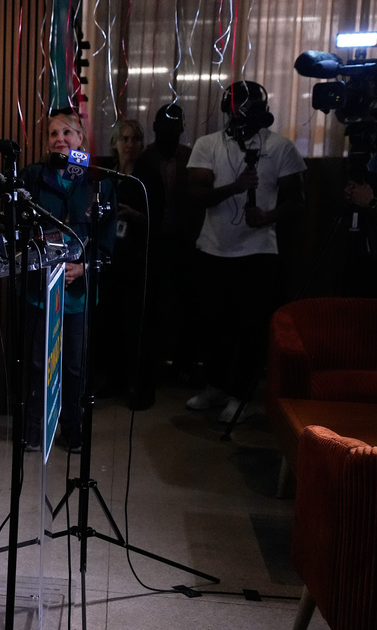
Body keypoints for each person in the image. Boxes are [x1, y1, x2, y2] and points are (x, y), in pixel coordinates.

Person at [185, 80, 306, 422]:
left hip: (258, 253)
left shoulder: (280, 147)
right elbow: (196, 194)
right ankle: (216, 386)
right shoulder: (207, 144)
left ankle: (240, 396)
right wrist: (235, 188)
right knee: (213, 325)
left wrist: (268, 216)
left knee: (250, 329)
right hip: (213, 250)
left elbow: (298, 201)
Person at [21, 107, 117, 452]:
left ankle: (72, 427)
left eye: (67, 133)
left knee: (74, 365)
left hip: (77, 292)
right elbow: (20, 228)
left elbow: (107, 238)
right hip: (39, 288)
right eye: (53, 134)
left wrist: (85, 266)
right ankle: (34, 428)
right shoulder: (33, 176)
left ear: (80, 139)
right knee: (37, 363)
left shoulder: (98, 182)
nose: (59, 139)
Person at [98, 118, 164, 409]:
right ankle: (114, 380)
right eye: (124, 139)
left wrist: (132, 214)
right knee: (110, 322)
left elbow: (158, 220)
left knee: (137, 326)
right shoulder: (108, 174)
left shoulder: (148, 177)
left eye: (135, 139)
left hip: (138, 260)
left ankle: (142, 389)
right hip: (111, 257)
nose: (130, 145)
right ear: (115, 143)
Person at [137, 103, 204, 381]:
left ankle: (183, 363)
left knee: (187, 305)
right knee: (150, 304)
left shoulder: (190, 157)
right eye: (164, 125)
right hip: (152, 239)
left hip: (184, 239)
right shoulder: (145, 158)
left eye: (174, 125)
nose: (169, 130)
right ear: (155, 128)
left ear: (181, 128)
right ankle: (151, 364)